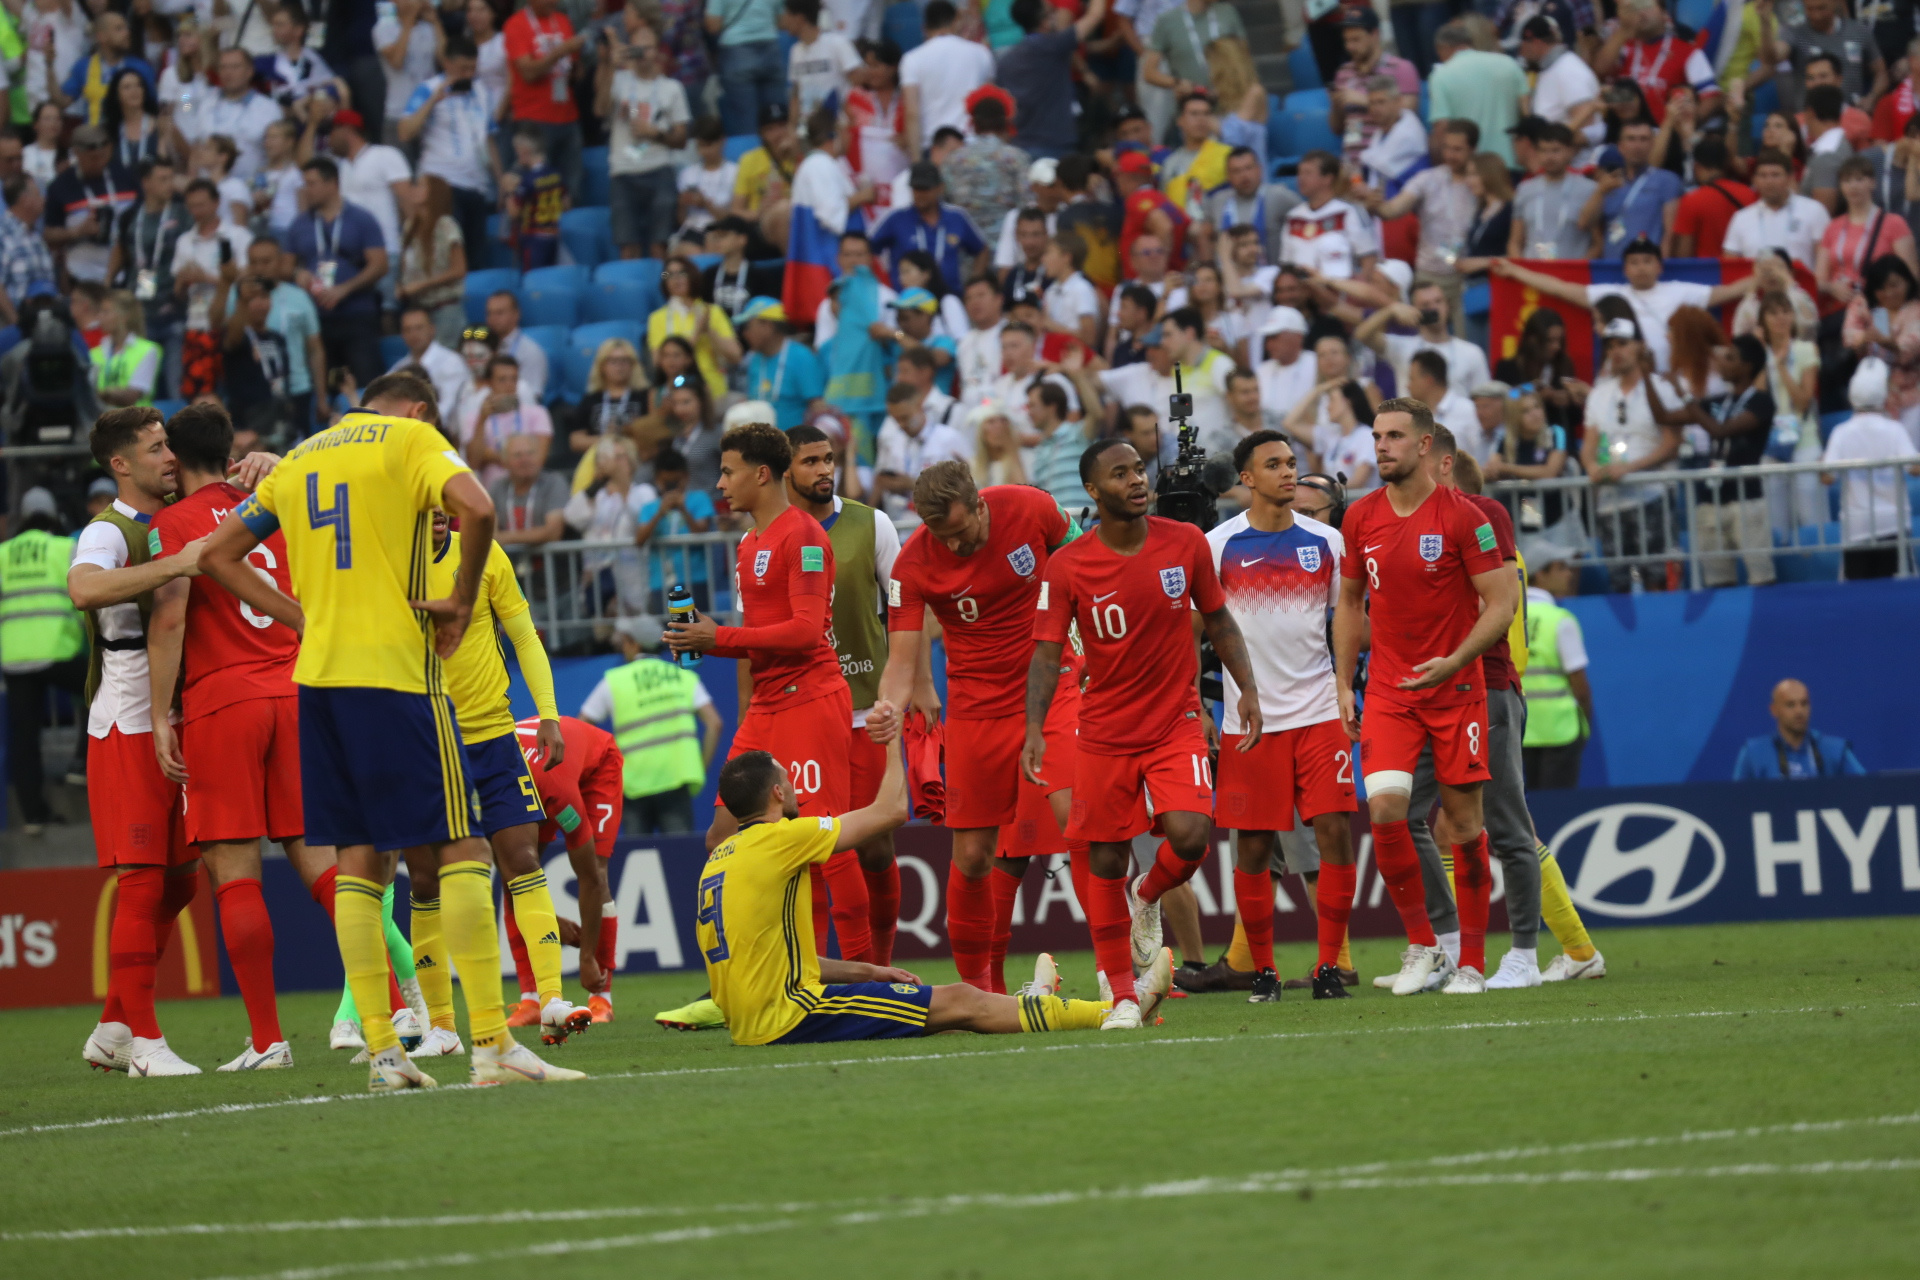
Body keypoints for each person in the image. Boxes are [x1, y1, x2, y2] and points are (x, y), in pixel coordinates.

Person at [202, 371, 578, 1089]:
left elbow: (217, 555)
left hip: (318, 683)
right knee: (462, 842)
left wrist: (299, 618)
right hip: (400, 679)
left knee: (359, 858)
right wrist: (462, 601)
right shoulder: (410, 439)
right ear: (422, 411)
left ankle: (383, 1053)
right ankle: (493, 1043)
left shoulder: (305, 454)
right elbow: (479, 505)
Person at [695, 736, 1168, 1045]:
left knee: (954, 1006)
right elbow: (891, 811)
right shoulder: (780, 839)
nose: (794, 785)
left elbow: (772, 959)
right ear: (776, 794)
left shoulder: (721, 859)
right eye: (786, 778)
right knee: (962, 1001)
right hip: (790, 1015)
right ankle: (1110, 1010)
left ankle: (1040, 1002)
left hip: (753, 1020)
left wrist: (869, 970)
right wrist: (894, 743)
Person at [1025, 436, 1257, 1026]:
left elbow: (1220, 617)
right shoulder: (1068, 565)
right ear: (1093, 491)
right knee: (1102, 859)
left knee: (1190, 835)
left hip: (1174, 722)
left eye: (1139, 470)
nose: (1137, 481)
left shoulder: (1183, 543)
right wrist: (1035, 728)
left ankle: (1147, 894)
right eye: (1120, 473)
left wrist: (1247, 687)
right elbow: (1048, 654)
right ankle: (1124, 997)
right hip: (1102, 731)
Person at [144, 403, 329, 1072]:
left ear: (176, 459)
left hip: (224, 701)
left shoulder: (172, 524)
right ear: (229, 453)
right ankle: (393, 1008)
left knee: (232, 868)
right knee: (322, 863)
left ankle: (267, 1040)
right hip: (293, 690)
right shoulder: (269, 506)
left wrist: (161, 715)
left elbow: (169, 623)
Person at [866, 463, 1077, 990]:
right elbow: (901, 659)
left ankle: (1117, 980)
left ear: (981, 505)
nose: (955, 546)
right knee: (973, 856)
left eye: (962, 531)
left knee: (1081, 822)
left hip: (1051, 685)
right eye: (943, 536)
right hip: (977, 709)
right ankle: (981, 995)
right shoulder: (912, 566)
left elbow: (1087, 565)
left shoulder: (1032, 507)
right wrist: (889, 707)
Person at [1332, 397, 1515, 997]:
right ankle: (1423, 947)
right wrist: (1343, 682)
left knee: (1463, 826)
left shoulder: (1465, 518)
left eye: (1393, 436)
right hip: (1388, 690)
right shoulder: (1360, 518)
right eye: (1376, 435)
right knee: (1384, 811)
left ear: (1426, 447)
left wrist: (1458, 660)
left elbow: (1501, 602)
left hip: (1457, 689)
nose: (1380, 446)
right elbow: (1351, 602)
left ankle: (1471, 964)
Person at [66, 407, 217, 1076]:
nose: (169, 457)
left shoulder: (175, 514)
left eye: (169, 446)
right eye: (156, 449)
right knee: (143, 882)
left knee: (183, 883)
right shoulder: (108, 529)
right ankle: (146, 1046)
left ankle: (112, 1026)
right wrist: (172, 565)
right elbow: (84, 589)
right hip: (126, 714)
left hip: (174, 713)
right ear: (121, 464)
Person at [412, 505, 587, 1043]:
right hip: (427, 741)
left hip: (494, 738)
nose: (438, 512)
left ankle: (552, 997)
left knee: (523, 858)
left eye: (445, 501)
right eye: (424, 502)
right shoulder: (390, 566)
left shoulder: (484, 554)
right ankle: (441, 1024)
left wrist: (549, 716)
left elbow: (525, 637)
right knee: (424, 880)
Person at [1206, 431, 1355, 1001]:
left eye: (1292, 462)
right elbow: (1197, 630)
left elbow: (1348, 617)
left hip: (1319, 710)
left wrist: (1344, 684)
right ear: (1247, 478)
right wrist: (1195, 700)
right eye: (1274, 465)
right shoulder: (1218, 545)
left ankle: (1328, 968)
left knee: (1335, 833)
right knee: (1252, 847)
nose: (1288, 472)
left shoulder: (1327, 541)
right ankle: (1263, 970)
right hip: (1252, 721)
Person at [663, 423, 850, 854]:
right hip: (766, 706)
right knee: (721, 838)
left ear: (762, 474)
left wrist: (719, 637)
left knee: (819, 847)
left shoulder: (803, 535)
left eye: (728, 472)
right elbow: (756, 636)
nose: (720, 483)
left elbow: (805, 632)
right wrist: (701, 635)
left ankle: (859, 927)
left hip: (809, 701)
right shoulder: (749, 544)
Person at [785, 422, 916, 964]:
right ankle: (837, 975)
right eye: (810, 461)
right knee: (821, 850)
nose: (824, 470)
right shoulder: (763, 539)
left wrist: (919, 686)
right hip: (805, 716)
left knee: (875, 847)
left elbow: (909, 609)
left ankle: (879, 966)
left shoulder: (872, 523)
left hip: (867, 711)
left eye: (828, 459)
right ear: (784, 470)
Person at [513, 713, 634, 1020]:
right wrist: (546, 919)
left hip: (595, 767)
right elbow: (507, 870)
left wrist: (586, 956)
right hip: (533, 779)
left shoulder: (558, 794)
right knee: (516, 874)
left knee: (596, 867)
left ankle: (601, 996)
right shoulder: (482, 786)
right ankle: (530, 999)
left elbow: (590, 879)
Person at [1493, 236, 1756, 374]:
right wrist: (1515, 271)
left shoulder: (1680, 291)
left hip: (1674, 380)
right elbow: (1559, 288)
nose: (1641, 268)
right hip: (1625, 375)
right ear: (1625, 269)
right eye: (1634, 262)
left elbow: (1730, 292)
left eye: (1647, 261)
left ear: (1659, 266)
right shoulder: (1610, 295)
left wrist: (1768, 276)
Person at [1, 487, 87, 837]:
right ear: (54, 516)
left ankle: (33, 816)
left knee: (23, 739)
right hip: (59, 652)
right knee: (105, 688)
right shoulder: (66, 547)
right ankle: (81, 762)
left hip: (15, 657)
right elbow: (85, 596)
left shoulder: (3, 553)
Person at [399, 35, 504, 263]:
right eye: (462, 68)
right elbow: (405, 132)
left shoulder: (482, 91)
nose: (468, 74)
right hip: (442, 182)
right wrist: (433, 101)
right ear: (446, 63)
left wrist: (499, 179)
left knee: (476, 255)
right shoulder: (428, 89)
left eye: (472, 68)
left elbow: (489, 139)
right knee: (449, 251)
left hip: (477, 183)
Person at [286, 156, 388, 389]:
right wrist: (296, 273)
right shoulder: (300, 224)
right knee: (329, 383)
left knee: (367, 382)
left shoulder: (362, 219)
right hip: (317, 316)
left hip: (357, 313)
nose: (306, 190)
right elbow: (284, 265)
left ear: (332, 183)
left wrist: (345, 289)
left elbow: (380, 264)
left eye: (311, 184)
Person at [1821, 356, 1920, 579]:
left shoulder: (1840, 432)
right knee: (1896, 596)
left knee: (1857, 599)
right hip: (1893, 524)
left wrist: (1822, 462)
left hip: (1857, 526)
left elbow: (1827, 478)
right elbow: (1915, 468)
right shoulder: (1895, 430)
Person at [601, 23, 692, 261]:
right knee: (627, 247)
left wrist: (655, 133)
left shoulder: (672, 88)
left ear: (658, 51)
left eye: (648, 48)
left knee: (659, 247)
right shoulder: (618, 80)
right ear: (629, 49)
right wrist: (609, 66)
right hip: (623, 170)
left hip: (659, 168)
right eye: (637, 49)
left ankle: (663, 287)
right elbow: (600, 108)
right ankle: (629, 293)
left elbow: (682, 140)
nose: (642, 54)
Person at [996, 0, 1110, 162]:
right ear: (1045, 21)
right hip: (1055, 143)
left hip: (1019, 145)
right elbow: (1095, 15)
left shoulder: (1006, 61)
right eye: (1052, 13)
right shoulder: (1055, 45)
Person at [170, 178, 251, 399]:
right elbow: (178, 294)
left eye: (201, 205)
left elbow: (247, 279)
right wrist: (183, 281)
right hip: (196, 324)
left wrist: (206, 277)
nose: (196, 211)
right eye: (192, 206)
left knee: (230, 391)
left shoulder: (238, 236)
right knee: (199, 394)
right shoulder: (184, 242)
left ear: (216, 203)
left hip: (229, 321)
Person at [1521, 546, 1592, 792]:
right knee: (1557, 813)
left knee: (1525, 815)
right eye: (1561, 567)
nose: (1569, 574)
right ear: (1540, 574)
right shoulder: (1560, 620)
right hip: (1561, 733)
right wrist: (1585, 725)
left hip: (1520, 732)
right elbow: (1580, 687)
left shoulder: (1506, 617)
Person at [1354, 277, 1490, 400]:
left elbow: (1484, 398)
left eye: (1438, 301)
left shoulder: (1472, 352)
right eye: (1425, 305)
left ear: (1447, 306)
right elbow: (1362, 335)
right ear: (1414, 310)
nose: (1434, 308)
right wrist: (1390, 310)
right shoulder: (1402, 346)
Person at [503, 0, 587, 194]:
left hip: (568, 116)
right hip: (533, 119)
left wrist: (584, 62)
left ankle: (568, 223)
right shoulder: (516, 24)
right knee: (532, 188)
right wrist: (560, 52)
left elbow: (575, 72)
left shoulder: (563, 20)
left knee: (571, 190)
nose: (553, 1)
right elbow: (528, 73)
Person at [1816, 157, 1919, 312]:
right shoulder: (1833, 227)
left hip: (1878, 307)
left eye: (1859, 179)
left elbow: (1911, 276)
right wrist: (1832, 288)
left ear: (1873, 182)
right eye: (1847, 181)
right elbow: (1819, 279)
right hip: (1839, 308)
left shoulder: (1894, 223)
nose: (1853, 186)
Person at [869, 160, 989, 291]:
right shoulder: (896, 219)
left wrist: (973, 285)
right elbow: (868, 248)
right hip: (908, 302)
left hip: (949, 298)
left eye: (925, 189)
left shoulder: (956, 217)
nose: (920, 194)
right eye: (916, 189)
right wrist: (878, 285)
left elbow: (981, 250)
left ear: (940, 188)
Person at [899, 0, 996, 157]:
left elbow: (912, 113)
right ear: (956, 21)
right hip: (973, 145)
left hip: (934, 148)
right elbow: (989, 105)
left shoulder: (912, 59)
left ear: (924, 27)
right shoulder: (981, 53)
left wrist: (916, 161)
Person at [44, 125, 136, 286]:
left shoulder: (126, 177)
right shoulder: (60, 186)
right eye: (93, 158)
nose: (99, 162)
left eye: (103, 156)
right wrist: (77, 231)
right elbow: (48, 234)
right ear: (77, 153)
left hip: (128, 274)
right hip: (82, 278)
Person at [1426, 23, 1528, 168]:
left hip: (1472, 168)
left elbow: (1442, 126)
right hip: (1513, 160)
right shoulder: (1509, 63)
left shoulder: (1441, 75)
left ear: (1442, 48)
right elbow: (1526, 111)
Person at [1329, 8, 1420, 170]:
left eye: (1356, 40)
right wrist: (1336, 105)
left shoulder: (1401, 68)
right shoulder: (1344, 72)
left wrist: (1364, 100)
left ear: (1374, 35)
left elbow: (1408, 111)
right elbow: (1336, 128)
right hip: (1352, 164)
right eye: (1347, 40)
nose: (1350, 46)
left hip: (1388, 161)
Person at [1580, 123, 1684, 259]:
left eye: (1643, 139)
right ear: (1620, 146)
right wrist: (1600, 192)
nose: (1637, 145)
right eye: (1631, 139)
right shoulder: (1607, 182)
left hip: (1647, 266)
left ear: (1652, 144)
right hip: (1612, 265)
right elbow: (1585, 223)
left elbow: (1670, 233)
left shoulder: (1667, 180)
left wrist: (1661, 266)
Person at [1765, 0, 1885, 117]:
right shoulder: (1795, 33)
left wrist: (1871, 98)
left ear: (1835, 3)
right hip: (1810, 118)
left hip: (1850, 115)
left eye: (1821, 8)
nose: (1816, 15)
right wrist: (1764, 22)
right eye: (1810, 9)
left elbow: (1881, 72)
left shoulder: (1858, 31)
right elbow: (1772, 58)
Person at [1731, 678, 1867, 779]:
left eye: (1804, 704)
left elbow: (1867, 790)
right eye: (1790, 705)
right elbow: (1736, 801)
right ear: (1774, 710)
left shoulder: (1835, 750)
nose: (1799, 711)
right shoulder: (1753, 753)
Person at [1722, 149, 1833, 268]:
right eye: (1763, 176)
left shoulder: (1814, 210)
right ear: (1755, 180)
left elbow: (1827, 261)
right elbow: (1730, 266)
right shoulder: (1741, 218)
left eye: (1775, 175)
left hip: (1800, 285)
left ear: (1790, 178)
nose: (1769, 181)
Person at [1507, 122, 1598, 260]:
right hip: (1532, 273)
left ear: (1570, 151)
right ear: (1536, 152)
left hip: (1571, 274)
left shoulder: (1589, 189)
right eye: (1543, 151)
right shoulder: (1525, 189)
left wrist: (1578, 269)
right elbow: (1515, 241)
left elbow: (1598, 243)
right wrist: (1521, 268)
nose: (1549, 157)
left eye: (1555, 150)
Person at [1281, 151, 1377, 281]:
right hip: (1301, 292)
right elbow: (1286, 263)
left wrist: (1357, 294)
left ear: (1328, 178)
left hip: (1339, 291)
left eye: (1308, 173)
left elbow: (1368, 259)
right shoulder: (1293, 217)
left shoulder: (1348, 212)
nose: (1300, 178)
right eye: (1299, 173)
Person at [396, 177, 468, 350]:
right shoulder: (409, 227)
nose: (413, 188)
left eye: (419, 185)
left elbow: (459, 270)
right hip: (419, 310)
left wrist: (421, 285)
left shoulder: (446, 225)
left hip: (444, 308)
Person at [193, 48, 280, 183]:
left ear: (250, 71)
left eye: (235, 67)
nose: (228, 72)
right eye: (223, 67)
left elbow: (278, 158)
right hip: (208, 191)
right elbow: (196, 148)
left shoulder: (269, 108)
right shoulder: (205, 102)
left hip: (250, 191)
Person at [1669, 136, 1756, 260]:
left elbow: (1683, 255)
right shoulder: (1749, 194)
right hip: (1742, 271)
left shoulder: (1692, 200)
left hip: (1706, 274)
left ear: (1697, 166)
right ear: (1726, 164)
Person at [707, 0, 784, 139]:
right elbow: (783, 19)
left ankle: (750, 157)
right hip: (770, 48)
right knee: (776, 117)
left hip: (736, 52)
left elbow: (713, 24)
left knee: (745, 122)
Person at [504, 125, 567, 270]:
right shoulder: (557, 174)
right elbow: (566, 204)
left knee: (533, 282)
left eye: (517, 151)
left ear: (525, 151)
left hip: (533, 240)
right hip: (553, 236)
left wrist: (508, 191)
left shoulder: (527, 180)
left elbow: (514, 213)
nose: (517, 155)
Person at [387, 303, 468, 414]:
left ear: (432, 329)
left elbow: (448, 409)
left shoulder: (451, 362)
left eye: (419, 328)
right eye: (407, 329)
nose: (413, 334)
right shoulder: (399, 367)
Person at [90, 290, 162, 407]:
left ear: (124, 316)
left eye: (106, 312)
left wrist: (102, 394)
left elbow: (131, 397)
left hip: (136, 421)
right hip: (102, 420)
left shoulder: (148, 350)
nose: (99, 317)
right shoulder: (95, 351)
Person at [483, 290, 550, 402]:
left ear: (516, 315)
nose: (492, 318)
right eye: (489, 313)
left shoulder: (531, 352)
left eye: (499, 313)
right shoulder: (483, 346)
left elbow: (533, 396)